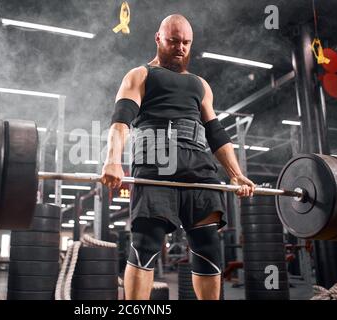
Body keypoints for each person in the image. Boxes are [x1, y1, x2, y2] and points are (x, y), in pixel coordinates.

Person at [101, 14, 255, 300]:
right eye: (174, 41)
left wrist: (235, 173)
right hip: (156, 167)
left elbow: (217, 134)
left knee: (208, 247)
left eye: (186, 42)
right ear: (159, 39)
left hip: (200, 171)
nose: (180, 47)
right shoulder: (140, 75)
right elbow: (120, 122)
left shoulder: (201, 85)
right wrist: (113, 160)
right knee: (145, 245)